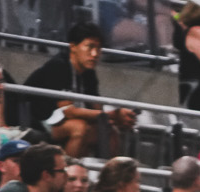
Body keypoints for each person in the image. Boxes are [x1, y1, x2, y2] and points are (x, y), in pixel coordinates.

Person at [23, 22, 136, 157]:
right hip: (40, 120)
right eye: (90, 47)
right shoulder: (58, 66)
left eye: (99, 49)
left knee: (110, 130)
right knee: (79, 128)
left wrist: (115, 117)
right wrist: (111, 114)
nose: (95, 54)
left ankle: (110, 174)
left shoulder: (89, 72)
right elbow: (68, 111)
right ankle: (69, 172)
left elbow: (97, 108)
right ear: (73, 47)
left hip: (64, 120)